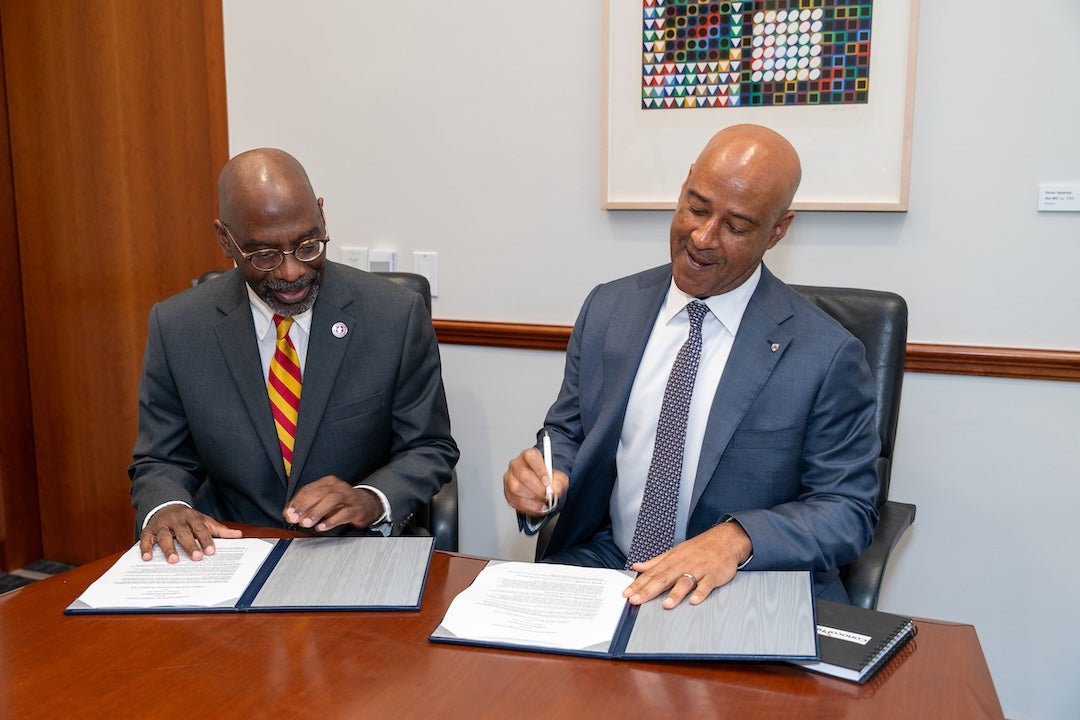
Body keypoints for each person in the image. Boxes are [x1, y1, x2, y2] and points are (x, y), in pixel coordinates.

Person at [503, 124, 879, 608]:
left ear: (778, 230)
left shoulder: (825, 353)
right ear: (683, 188)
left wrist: (738, 538)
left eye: (737, 226)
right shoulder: (609, 308)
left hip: (739, 587)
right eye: (696, 208)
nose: (702, 237)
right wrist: (544, 477)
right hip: (610, 562)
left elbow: (847, 511)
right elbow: (569, 432)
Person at [130, 148, 459, 563]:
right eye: (264, 255)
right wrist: (167, 507)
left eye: (307, 244)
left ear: (322, 217)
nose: (291, 273)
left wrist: (371, 499)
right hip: (230, 549)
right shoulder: (178, 325)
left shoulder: (393, 316)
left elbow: (429, 446)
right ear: (224, 239)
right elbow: (162, 457)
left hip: (351, 549)